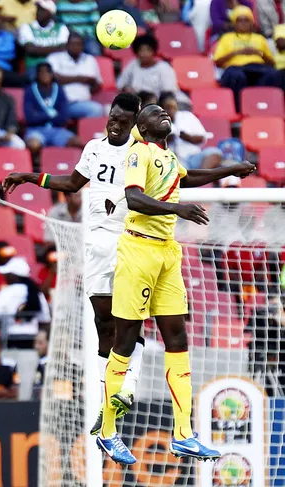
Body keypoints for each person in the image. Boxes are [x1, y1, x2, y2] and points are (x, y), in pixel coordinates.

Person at [95, 103, 255, 464]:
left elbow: (187, 177)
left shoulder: (167, 156)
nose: (163, 113)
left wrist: (230, 169)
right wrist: (177, 210)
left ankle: (184, 434)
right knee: (124, 342)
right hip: (138, 250)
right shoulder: (138, 152)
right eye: (155, 112)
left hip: (168, 253)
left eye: (166, 111)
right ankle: (107, 431)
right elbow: (133, 197)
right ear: (142, 125)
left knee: (177, 338)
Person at [2, 93, 145, 435]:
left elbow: (160, 189)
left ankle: (129, 386)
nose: (114, 123)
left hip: (128, 241)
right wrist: (28, 176)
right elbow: (72, 184)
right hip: (95, 244)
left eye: (122, 120)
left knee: (129, 322)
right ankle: (105, 400)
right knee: (102, 323)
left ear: (133, 124)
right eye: (112, 117)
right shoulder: (94, 149)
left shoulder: (140, 153)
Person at [214, 6, 276, 112]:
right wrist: (237, 52)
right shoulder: (226, 38)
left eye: (246, 20)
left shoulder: (260, 38)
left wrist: (259, 53)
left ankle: (266, 108)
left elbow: (271, 63)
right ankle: (240, 110)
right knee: (238, 77)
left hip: (257, 67)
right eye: (239, 20)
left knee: (272, 75)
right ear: (234, 23)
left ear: (251, 23)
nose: (243, 23)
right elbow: (218, 62)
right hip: (235, 68)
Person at [0, 256, 51, 348]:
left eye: (8, 274)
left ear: (14, 276)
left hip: (9, 341)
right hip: (34, 341)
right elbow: (45, 321)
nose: (5, 277)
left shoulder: (4, 293)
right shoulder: (37, 293)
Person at [24, 63, 83, 156]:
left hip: (57, 130)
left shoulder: (59, 90)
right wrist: (50, 115)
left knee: (77, 142)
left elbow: (64, 118)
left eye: (47, 72)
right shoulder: (30, 90)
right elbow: (30, 118)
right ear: (37, 75)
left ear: (52, 74)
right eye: (41, 73)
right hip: (36, 130)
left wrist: (40, 115)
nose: (44, 75)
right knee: (33, 144)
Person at [159, 91, 223, 170]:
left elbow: (202, 138)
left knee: (215, 152)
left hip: (194, 156)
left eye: (172, 107)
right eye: (167, 107)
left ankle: (202, 176)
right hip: (175, 160)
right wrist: (168, 139)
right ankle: (192, 179)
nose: (170, 110)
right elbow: (155, 146)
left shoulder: (187, 116)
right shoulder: (158, 122)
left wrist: (188, 137)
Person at [47, 32, 104, 119]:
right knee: (96, 109)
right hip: (62, 103)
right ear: (67, 45)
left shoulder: (90, 60)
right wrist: (80, 79)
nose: (75, 47)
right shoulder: (55, 58)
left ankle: (83, 131)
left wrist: (91, 83)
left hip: (83, 102)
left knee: (101, 109)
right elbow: (53, 78)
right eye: (72, 44)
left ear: (83, 46)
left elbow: (97, 84)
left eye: (78, 44)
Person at [117, 35, 181, 99]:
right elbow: (120, 83)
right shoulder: (133, 65)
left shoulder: (164, 68)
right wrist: (126, 89)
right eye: (141, 50)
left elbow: (168, 92)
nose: (144, 54)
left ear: (154, 52)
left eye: (148, 50)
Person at [18, 0, 69, 79]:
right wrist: (56, 48)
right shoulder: (26, 27)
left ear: (51, 14)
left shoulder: (61, 28)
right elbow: (30, 49)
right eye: (38, 9)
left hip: (57, 66)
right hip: (34, 66)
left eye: (42, 10)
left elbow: (65, 49)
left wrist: (39, 49)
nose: (38, 12)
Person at [31, 327, 49, 400]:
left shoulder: (58, 365)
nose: (36, 346)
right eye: (35, 342)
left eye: (40, 343)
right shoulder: (33, 363)